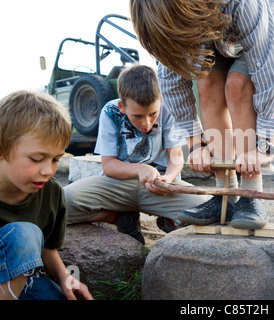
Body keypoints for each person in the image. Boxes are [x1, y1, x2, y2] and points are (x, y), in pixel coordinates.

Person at [129, 0, 274, 229]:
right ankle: (226, 194)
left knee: (238, 83)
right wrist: (196, 145)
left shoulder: (241, 3)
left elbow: (267, 78)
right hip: (211, 31)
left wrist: (263, 146)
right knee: (206, 82)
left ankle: (251, 194)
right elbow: (173, 84)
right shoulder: (165, 26)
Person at [64, 64, 210, 244]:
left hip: (160, 188)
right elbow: (109, 166)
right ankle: (120, 218)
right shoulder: (110, 111)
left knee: (207, 208)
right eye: (138, 116)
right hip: (117, 186)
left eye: (153, 114)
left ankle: (169, 221)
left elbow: (176, 156)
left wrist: (170, 179)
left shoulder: (168, 108)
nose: (146, 123)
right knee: (64, 203)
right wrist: (141, 169)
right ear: (122, 106)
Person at [0, 90, 92, 300]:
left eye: (55, 159)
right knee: (25, 234)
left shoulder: (51, 192)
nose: (48, 171)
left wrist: (66, 279)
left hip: (21, 279)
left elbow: (47, 249)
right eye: (36, 159)